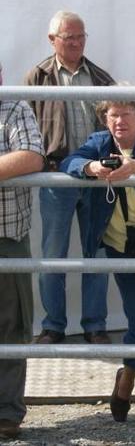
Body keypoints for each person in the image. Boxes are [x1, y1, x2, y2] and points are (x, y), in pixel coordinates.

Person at [62, 97, 135, 435]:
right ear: (105, 119)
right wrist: (91, 169)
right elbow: (69, 162)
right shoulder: (98, 143)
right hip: (123, 249)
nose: (118, 121)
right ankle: (127, 379)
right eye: (112, 115)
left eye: (126, 114)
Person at [25, 10, 115, 344]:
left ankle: (94, 325)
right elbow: (28, 123)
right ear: (53, 40)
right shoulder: (38, 76)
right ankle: (53, 326)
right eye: (69, 37)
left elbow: (116, 123)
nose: (76, 42)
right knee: (53, 254)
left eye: (81, 36)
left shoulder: (101, 77)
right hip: (55, 177)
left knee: (97, 253)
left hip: (96, 175)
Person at [0, 61, 45, 440]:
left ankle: (6, 412)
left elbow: (31, 155)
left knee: (11, 326)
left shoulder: (13, 107)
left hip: (6, 235)